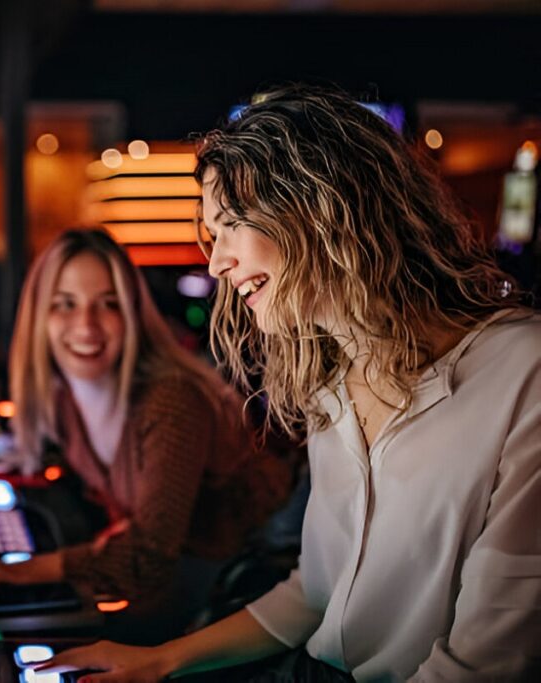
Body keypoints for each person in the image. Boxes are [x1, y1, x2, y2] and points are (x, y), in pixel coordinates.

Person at [40, 86, 541, 682]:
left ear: (319, 208)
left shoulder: (521, 372)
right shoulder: (329, 383)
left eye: (229, 226)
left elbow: (485, 666)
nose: (215, 264)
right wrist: (162, 662)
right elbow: (315, 593)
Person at [0, 229, 292, 637]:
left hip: (244, 586)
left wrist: (14, 572)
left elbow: (147, 557)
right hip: (187, 573)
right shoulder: (62, 402)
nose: (85, 325)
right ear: (40, 317)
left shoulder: (171, 401)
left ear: (132, 313)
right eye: (65, 304)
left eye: (107, 304)